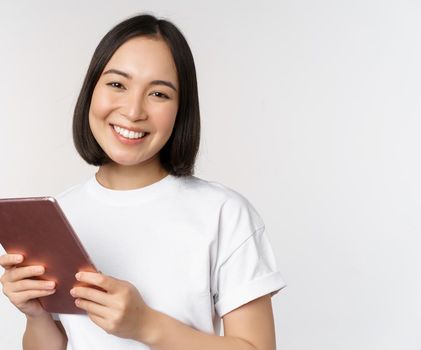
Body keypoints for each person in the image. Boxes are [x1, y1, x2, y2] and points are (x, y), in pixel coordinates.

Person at [0, 13, 286, 350]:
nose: (134, 111)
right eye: (117, 84)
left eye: (159, 94)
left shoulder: (224, 213)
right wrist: (36, 315)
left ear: (181, 110)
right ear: (92, 90)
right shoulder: (58, 215)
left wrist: (146, 324)